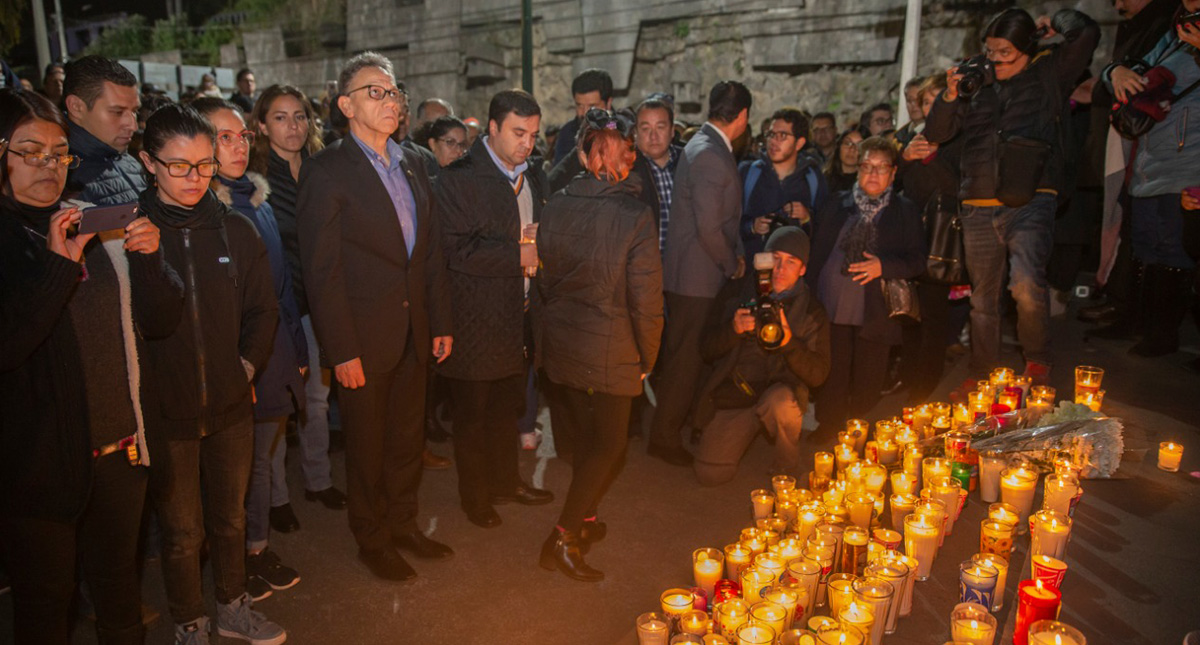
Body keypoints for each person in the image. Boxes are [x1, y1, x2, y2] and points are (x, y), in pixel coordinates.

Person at [0, 88, 182, 645]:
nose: (48, 167)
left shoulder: (83, 216)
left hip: (119, 449)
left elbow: (159, 318)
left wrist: (149, 261)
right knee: (47, 608)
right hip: (39, 468)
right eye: (30, 151)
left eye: (59, 154)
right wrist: (58, 267)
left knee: (120, 594)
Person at [297, 52, 454, 581]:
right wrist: (340, 350)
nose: (391, 101)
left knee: (409, 438)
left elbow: (429, 252)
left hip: (415, 331)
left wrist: (441, 323)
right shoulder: (326, 170)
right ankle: (372, 537)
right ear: (346, 105)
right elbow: (322, 272)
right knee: (366, 446)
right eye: (375, 92)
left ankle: (405, 523)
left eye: (393, 92)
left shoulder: (412, 161)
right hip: (362, 338)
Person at [135, 103, 284, 645]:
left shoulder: (236, 231)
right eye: (179, 166)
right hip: (168, 411)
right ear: (149, 162)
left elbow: (264, 310)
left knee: (229, 520)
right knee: (181, 533)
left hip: (228, 404)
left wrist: (244, 365)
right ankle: (190, 623)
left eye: (203, 164)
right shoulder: (133, 233)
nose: (195, 178)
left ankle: (233, 608)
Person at [924, 7, 1099, 385]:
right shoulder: (976, 79)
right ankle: (982, 369)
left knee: (1025, 283)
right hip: (978, 200)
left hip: (1032, 196)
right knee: (982, 298)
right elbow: (937, 133)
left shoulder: (1049, 73)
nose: (997, 60)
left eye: (1005, 52)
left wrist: (1057, 21)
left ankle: (1036, 359)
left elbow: (1085, 34)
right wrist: (950, 95)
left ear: (1025, 50)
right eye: (991, 51)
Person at [534, 108, 663, 581]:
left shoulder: (558, 203)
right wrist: (647, 358)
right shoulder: (634, 215)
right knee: (608, 446)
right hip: (611, 349)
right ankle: (562, 538)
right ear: (625, 158)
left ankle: (585, 518)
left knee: (589, 441)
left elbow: (542, 283)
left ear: (587, 156)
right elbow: (647, 301)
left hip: (565, 345)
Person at [193, 97, 305, 602]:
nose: (238, 146)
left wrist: (295, 350)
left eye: (241, 135)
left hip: (272, 353)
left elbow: (279, 291)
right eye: (223, 136)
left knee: (262, 461)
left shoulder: (254, 202)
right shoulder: (202, 211)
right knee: (234, 472)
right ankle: (233, 559)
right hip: (236, 365)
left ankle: (255, 550)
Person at [433, 89, 554, 529]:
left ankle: (507, 482)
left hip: (519, 314)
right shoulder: (458, 177)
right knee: (473, 416)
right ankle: (475, 496)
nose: (527, 143)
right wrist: (516, 257)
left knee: (508, 408)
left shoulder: (533, 175)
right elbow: (454, 251)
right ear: (493, 128)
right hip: (473, 319)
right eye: (518, 133)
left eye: (533, 134)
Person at [248, 84, 345, 533]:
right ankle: (276, 497)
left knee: (318, 399)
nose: (293, 126)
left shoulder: (323, 168)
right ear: (263, 125)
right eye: (281, 117)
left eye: (300, 116)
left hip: (321, 301)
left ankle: (319, 480)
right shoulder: (256, 178)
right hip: (280, 305)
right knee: (280, 404)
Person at [649, 80, 752, 467]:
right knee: (685, 361)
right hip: (697, 277)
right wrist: (731, 263)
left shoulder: (702, 145)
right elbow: (710, 226)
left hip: (695, 274)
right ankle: (664, 437)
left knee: (689, 358)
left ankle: (678, 427)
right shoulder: (709, 152)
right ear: (742, 116)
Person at [1097, 0, 1200, 357]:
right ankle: (1136, 321)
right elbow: (1138, 66)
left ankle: (1161, 334)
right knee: (1143, 242)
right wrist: (1115, 72)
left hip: (1187, 162)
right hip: (1149, 157)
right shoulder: (1176, 30)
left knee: (1172, 247)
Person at [692, 227, 831, 485]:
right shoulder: (737, 292)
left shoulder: (812, 310)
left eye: (791, 262)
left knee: (781, 404)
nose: (780, 268)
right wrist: (732, 330)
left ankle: (787, 463)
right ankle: (746, 428)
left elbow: (818, 375)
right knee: (710, 474)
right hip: (736, 394)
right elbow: (706, 349)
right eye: (775, 258)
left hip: (777, 395)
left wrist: (789, 344)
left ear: (803, 269)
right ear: (764, 260)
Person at [808, 137, 925, 434]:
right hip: (831, 304)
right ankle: (828, 424)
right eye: (867, 166)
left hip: (875, 309)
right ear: (857, 169)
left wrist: (882, 266)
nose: (873, 174)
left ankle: (858, 432)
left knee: (868, 377)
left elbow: (918, 261)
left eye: (881, 167)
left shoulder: (905, 211)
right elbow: (816, 251)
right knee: (832, 370)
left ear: (893, 172)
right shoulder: (837, 203)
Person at [1079, 0, 1177, 330]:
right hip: (1137, 133)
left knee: (1152, 232)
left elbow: (1145, 75)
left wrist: (1117, 74)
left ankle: (1136, 312)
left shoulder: (1168, 21)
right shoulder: (1149, 26)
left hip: (1161, 139)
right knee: (1127, 217)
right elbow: (1128, 69)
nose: (1117, 5)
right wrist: (1113, 72)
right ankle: (1121, 301)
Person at [894, 74, 967, 403]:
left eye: (932, 99)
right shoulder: (905, 139)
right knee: (907, 310)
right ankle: (908, 377)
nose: (926, 106)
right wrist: (906, 158)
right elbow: (894, 182)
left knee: (934, 314)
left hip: (940, 237)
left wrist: (931, 157)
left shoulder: (959, 138)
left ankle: (926, 383)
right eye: (923, 101)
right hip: (910, 231)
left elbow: (957, 188)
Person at [739, 108, 830, 259]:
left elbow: (825, 230)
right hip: (753, 268)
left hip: (793, 273)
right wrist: (751, 227)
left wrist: (807, 217)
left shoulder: (813, 178)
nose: (774, 141)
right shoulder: (748, 173)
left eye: (782, 136)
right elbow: (727, 223)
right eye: (771, 134)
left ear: (799, 143)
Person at [62, 55, 145, 206]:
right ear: (76, 107)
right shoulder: (58, 175)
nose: (133, 126)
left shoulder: (129, 162)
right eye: (117, 112)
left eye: (135, 111)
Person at [635, 96, 683, 252]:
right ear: (635, 134)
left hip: (685, 265)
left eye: (660, 127)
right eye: (646, 129)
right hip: (644, 267)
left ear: (671, 131)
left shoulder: (689, 163)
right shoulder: (625, 171)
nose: (653, 136)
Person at [552, 69, 613, 165]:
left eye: (592, 106)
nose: (584, 113)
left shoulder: (622, 130)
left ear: (608, 103)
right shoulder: (567, 134)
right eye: (579, 105)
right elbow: (558, 175)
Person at [825, 128, 862, 194]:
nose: (852, 149)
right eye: (847, 143)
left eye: (858, 145)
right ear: (839, 147)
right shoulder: (824, 179)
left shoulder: (866, 182)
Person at [894, 77, 927, 144]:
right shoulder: (899, 136)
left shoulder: (936, 133)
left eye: (918, 99)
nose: (914, 104)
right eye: (909, 100)